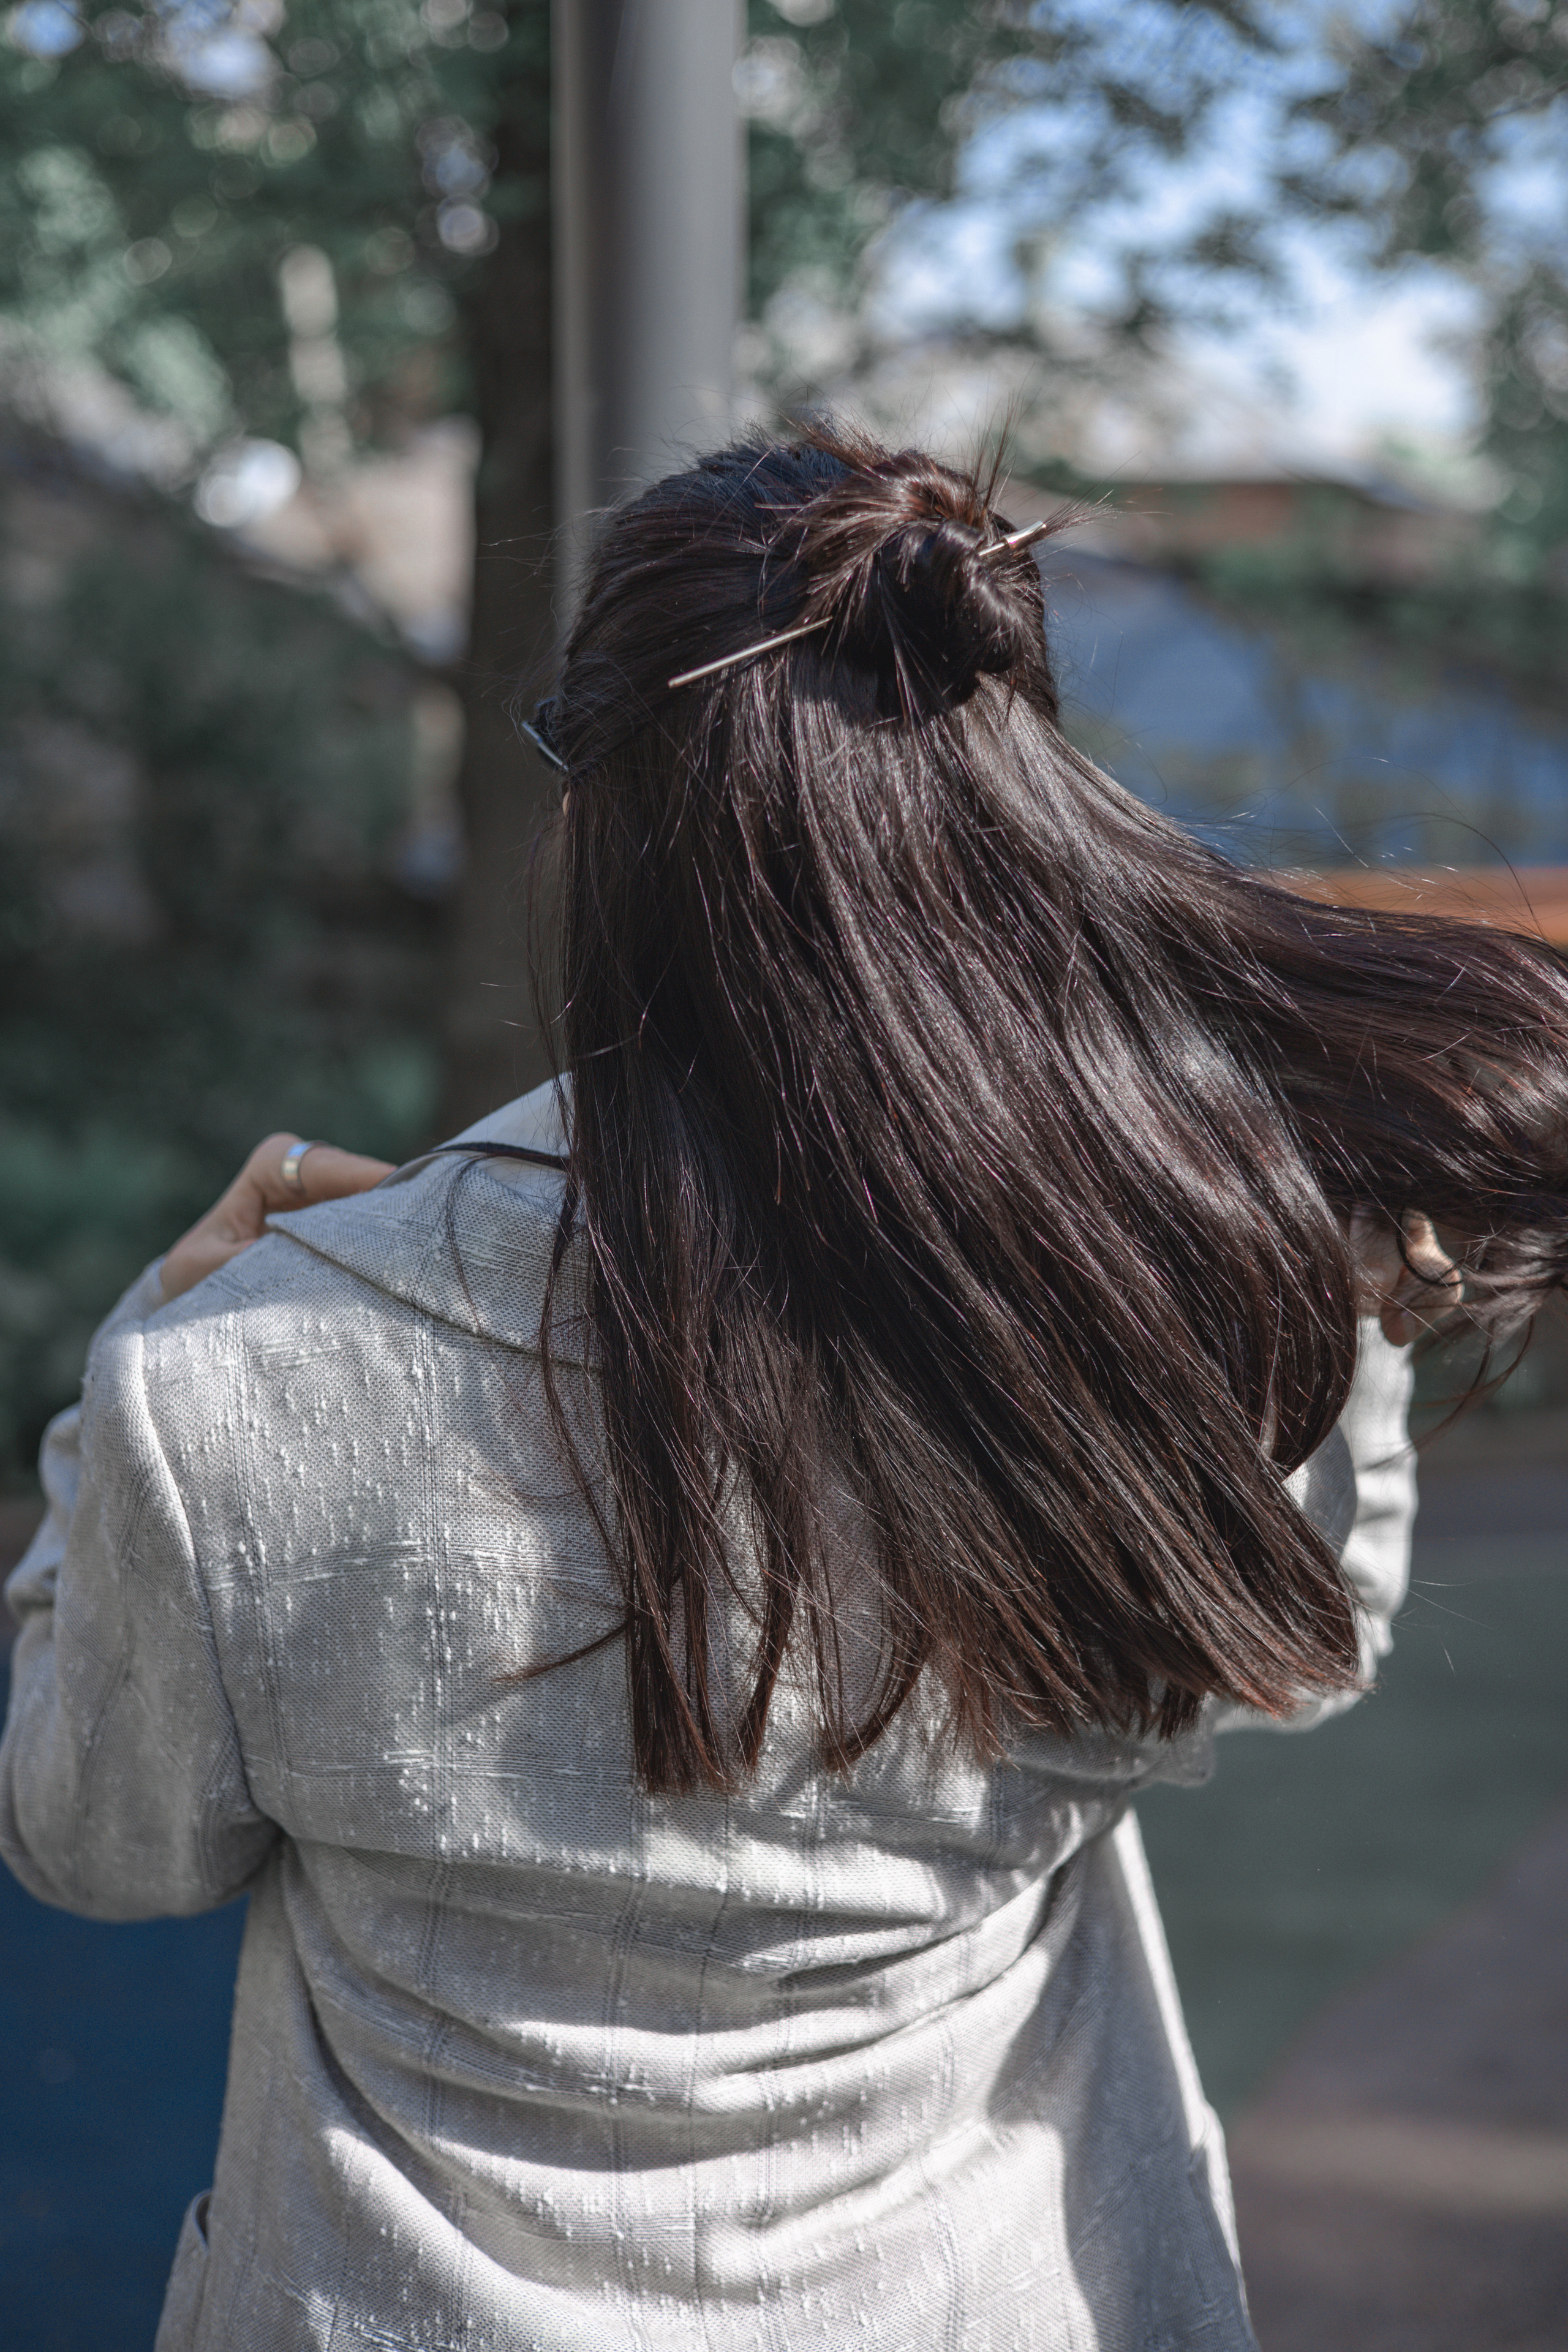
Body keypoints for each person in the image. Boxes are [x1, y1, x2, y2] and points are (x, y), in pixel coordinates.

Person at [4, 428, 1566, 2352]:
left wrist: (126, 1376)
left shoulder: (239, 1379)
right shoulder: (1175, 1300)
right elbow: (1305, 1648)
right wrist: (1337, 1325)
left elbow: (100, 1843)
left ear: (588, 812)